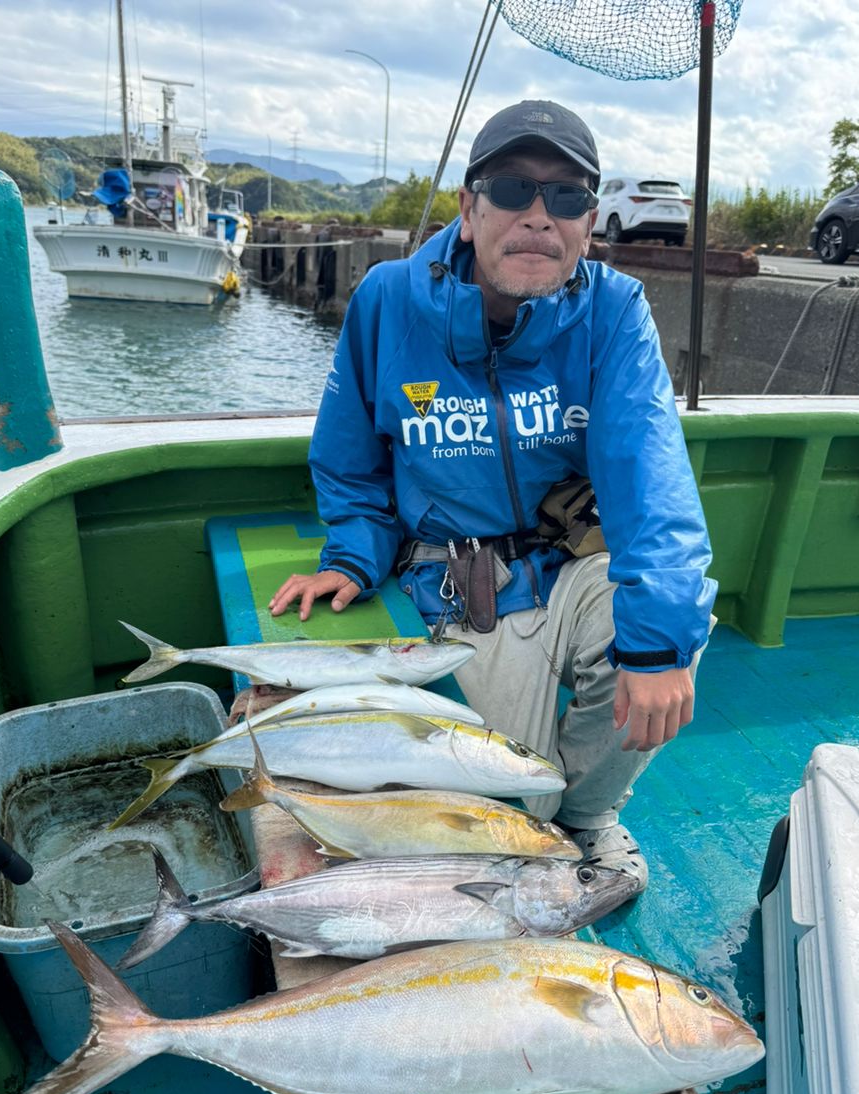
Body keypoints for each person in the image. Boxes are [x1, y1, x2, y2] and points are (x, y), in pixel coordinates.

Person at [270, 100, 716, 867]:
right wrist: (352, 557)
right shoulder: (386, 301)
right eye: (514, 190)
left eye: (568, 197)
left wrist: (658, 649)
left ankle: (586, 819)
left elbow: (649, 477)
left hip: (572, 564)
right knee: (518, 796)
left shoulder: (613, 310)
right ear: (470, 210)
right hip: (459, 584)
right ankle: (547, 819)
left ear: (589, 223)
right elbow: (351, 462)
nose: (540, 216)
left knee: (661, 642)